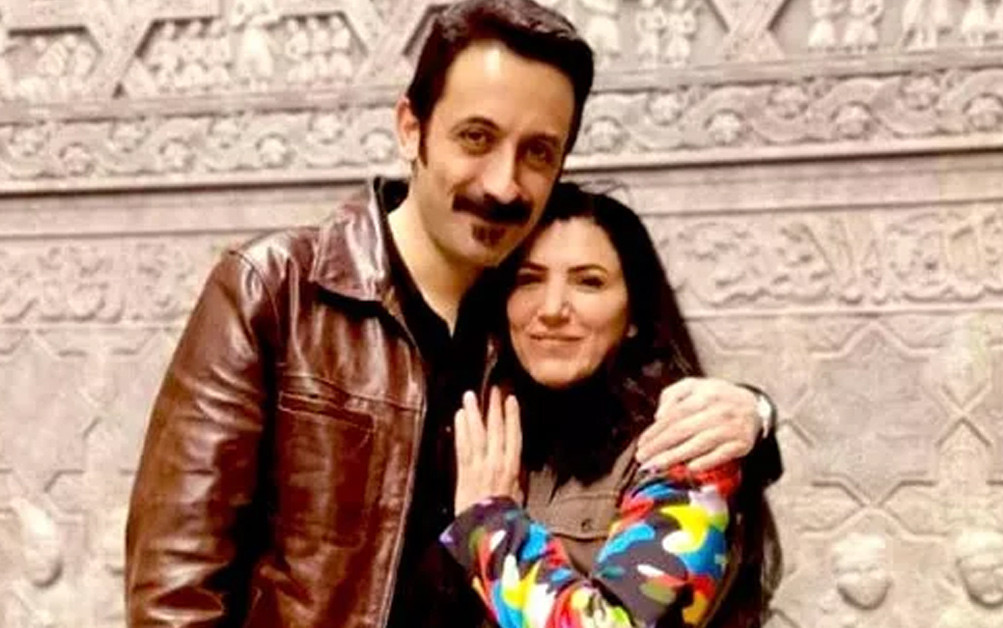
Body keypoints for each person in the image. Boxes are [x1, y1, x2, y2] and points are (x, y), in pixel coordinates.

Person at [125, 1, 780, 626]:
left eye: (537, 152)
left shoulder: (528, 328)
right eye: (476, 137)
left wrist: (754, 415)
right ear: (411, 128)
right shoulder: (277, 288)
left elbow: (637, 434)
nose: (502, 184)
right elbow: (175, 592)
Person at [441, 183, 781, 627]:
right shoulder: (483, 433)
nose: (552, 308)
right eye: (528, 279)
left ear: (635, 313)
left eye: (589, 281)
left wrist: (491, 523)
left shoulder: (684, 442)